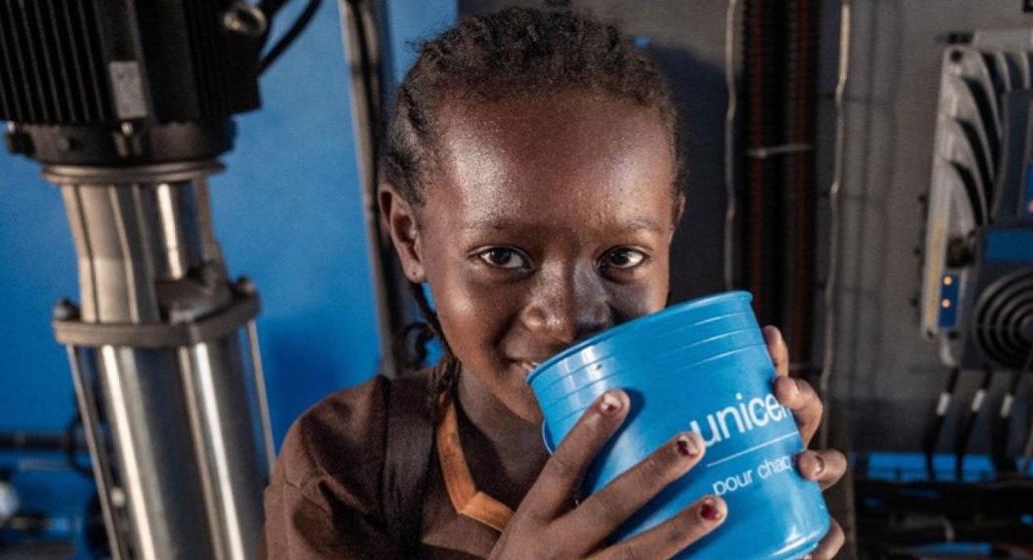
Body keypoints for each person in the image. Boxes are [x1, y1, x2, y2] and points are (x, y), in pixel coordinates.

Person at [262, 7, 847, 559]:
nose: (567, 320)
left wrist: (771, 498)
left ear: (670, 229)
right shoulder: (344, 468)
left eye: (621, 255)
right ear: (411, 236)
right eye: (504, 256)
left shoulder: (720, 461)